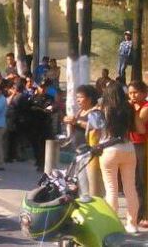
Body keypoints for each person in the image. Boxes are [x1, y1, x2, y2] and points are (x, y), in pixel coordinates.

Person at [97, 82, 145, 233]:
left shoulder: (103, 108)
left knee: (111, 189)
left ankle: (112, 225)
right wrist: (134, 112)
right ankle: (132, 225)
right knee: (130, 189)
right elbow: (141, 129)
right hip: (128, 148)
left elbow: (96, 129)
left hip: (108, 149)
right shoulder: (129, 108)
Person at [63, 84, 103, 196]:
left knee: (87, 182)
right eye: (77, 97)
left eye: (80, 97)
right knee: (79, 181)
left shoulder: (95, 112)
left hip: (89, 152)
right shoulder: (80, 111)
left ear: (90, 99)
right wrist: (70, 121)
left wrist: (77, 122)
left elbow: (95, 127)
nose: (78, 100)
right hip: (79, 151)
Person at [128, 80, 148, 228]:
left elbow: (139, 123)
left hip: (143, 145)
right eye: (130, 93)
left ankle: (144, 214)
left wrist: (132, 109)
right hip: (130, 145)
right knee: (134, 182)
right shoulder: (131, 106)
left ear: (144, 93)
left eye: (135, 92)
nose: (132, 96)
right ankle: (137, 213)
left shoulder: (145, 107)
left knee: (142, 181)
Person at [28, 80, 54, 171]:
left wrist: (39, 108)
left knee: (43, 145)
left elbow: (49, 108)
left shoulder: (49, 98)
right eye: (41, 87)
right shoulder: (33, 98)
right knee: (35, 144)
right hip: (34, 125)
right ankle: (38, 160)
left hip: (45, 125)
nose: (43, 89)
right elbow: (28, 108)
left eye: (44, 87)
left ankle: (42, 164)